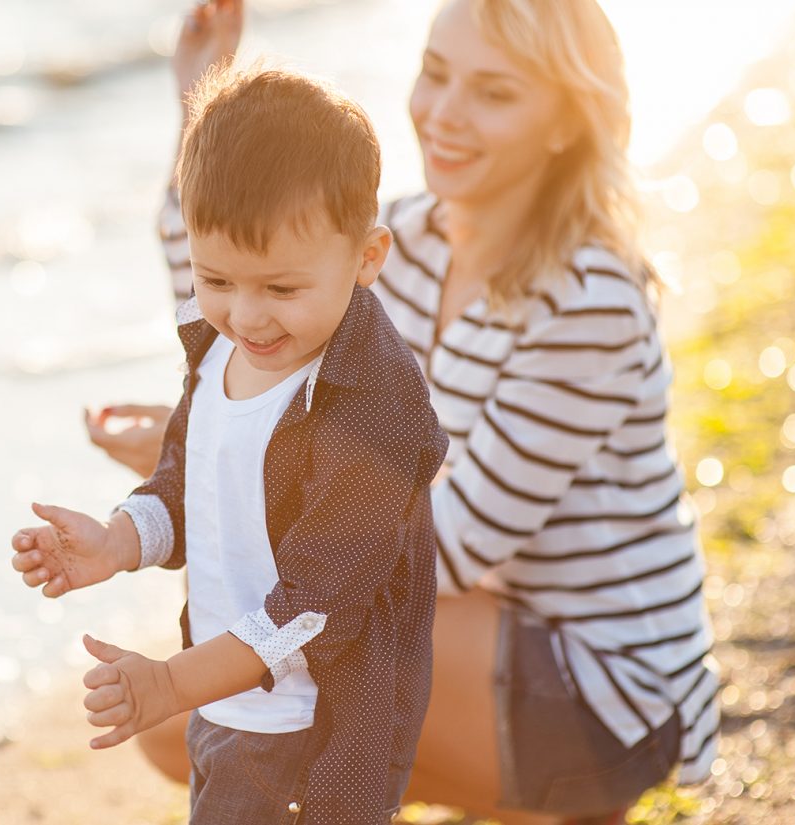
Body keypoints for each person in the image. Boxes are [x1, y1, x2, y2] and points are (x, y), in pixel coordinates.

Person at [86, 1, 720, 823]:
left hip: (602, 689)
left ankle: (539, 794)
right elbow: (251, 292)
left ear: (567, 121)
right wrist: (198, 101)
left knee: (221, 676)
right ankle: (489, 792)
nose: (444, 114)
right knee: (193, 704)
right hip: (483, 633)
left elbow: (441, 547)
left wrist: (236, 472)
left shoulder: (587, 301)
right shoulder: (409, 241)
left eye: (493, 93)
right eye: (435, 73)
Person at [12, 66, 448, 823]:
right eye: (218, 279)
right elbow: (187, 482)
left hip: (316, 726)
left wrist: (172, 684)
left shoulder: (371, 403)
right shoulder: (219, 351)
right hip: (228, 696)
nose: (247, 316)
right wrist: (117, 540)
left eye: (280, 289)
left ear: (367, 256)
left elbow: (317, 602)